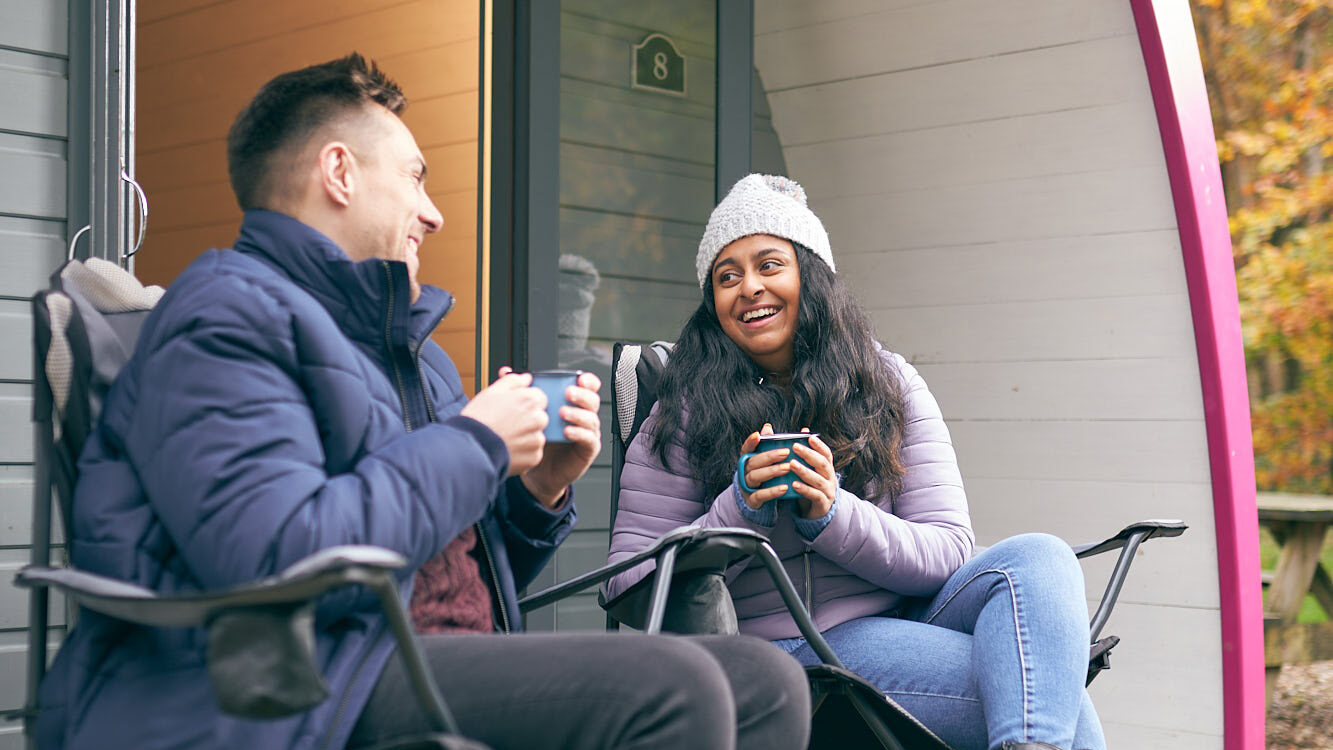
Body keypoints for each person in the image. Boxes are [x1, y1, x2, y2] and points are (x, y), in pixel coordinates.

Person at [35, 56, 810, 750]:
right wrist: (474, 444)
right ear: (338, 173)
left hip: (406, 653)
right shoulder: (224, 322)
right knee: (677, 689)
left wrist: (535, 490)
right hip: (287, 685)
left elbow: (452, 568)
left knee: (763, 682)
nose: (432, 212)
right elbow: (274, 559)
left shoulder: (411, 351)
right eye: (413, 176)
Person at [604, 173, 1107, 750]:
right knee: (1050, 690)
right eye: (727, 276)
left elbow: (945, 551)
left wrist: (832, 514)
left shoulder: (889, 384)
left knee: (1040, 558)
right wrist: (740, 510)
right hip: (777, 655)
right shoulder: (681, 413)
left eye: (770, 265)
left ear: (811, 277)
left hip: (900, 623)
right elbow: (629, 583)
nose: (748, 288)